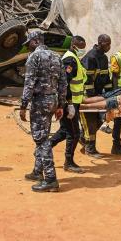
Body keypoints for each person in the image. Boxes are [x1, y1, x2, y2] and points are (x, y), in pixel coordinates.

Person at [20, 30, 67, 192]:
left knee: (41, 140)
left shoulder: (34, 57)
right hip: (53, 101)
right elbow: (63, 83)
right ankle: (37, 171)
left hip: (40, 102)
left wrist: (23, 106)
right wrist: (60, 104)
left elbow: (29, 83)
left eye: (28, 45)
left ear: (35, 41)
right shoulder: (56, 56)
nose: (28, 48)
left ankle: (50, 179)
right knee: (43, 135)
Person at [50, 35, 86, 174]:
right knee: (74, 133)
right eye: (81, 47)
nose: (83, 50)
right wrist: (69, 103)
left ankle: (44, 148)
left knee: (65, 131)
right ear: (74, 45)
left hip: (72, 102)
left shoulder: (74, 58)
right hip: (68, 103)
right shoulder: (70, 59)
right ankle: (69, 162)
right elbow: (64, 83)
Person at [80, 34, 112, 158]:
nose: (109, 46)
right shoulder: (90, 57)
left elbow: (106, 78)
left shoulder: (103, 58)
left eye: (110, 44)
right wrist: (92, 99)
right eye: (107, 43)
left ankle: (83, 139)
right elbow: (87, 80)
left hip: (97, 95)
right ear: (100, 42)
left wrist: (110, 93)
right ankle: (90, 148)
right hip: (87, 95)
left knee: (99, 119)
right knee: (90, 121)